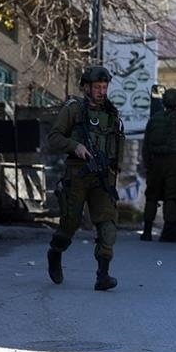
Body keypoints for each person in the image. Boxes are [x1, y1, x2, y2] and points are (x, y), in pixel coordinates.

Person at [46, 65, 125, 291]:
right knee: (70, 224)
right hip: (77, 175)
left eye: (104, 87)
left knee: (108, 225)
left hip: (102, 177)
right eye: (97, 87)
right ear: (86, 88)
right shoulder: (74, 109)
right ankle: (55, 252)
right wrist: (75, 146)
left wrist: (114, 172)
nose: (101, 91)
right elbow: (53, 138)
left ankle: (103, 275)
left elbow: (118, 144)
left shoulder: (111, 113)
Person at [140, 88, 176, 242]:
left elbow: (146, 146)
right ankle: (168, 232)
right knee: (172, 196)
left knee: (151, 196)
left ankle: (147, 231)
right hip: (174, 163)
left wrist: (148, 165)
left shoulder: (154, 120)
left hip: (155, 162)